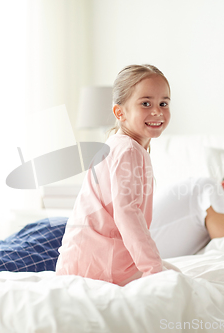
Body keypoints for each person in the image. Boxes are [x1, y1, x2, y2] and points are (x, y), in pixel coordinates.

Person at [55, 64, 177, 286]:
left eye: (164, 103)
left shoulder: (121, 146)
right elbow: (127, 213)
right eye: (146, 103)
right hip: (102, 264)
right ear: (120, 112)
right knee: (177, 283)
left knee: (176, 275)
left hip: (86, 259)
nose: (157, 111)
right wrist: (153, 268)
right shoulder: (128, 150)